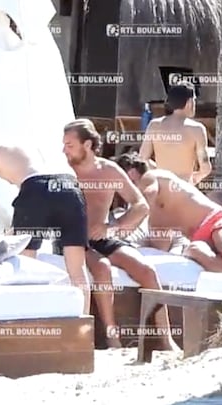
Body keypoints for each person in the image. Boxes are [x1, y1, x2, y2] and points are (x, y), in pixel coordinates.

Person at [63, 119, 177, 350]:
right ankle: (112, 337)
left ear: (87, 145)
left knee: (147, 271)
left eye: (69, 145)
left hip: (103, 235)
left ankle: (167, 340)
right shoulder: (64, 172)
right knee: (102, 267)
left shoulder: (109, 170)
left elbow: (140, 205)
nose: (64, 150)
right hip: (74, 238)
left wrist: (114, 226)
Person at [0, 144, 90, 312]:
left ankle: (26, 321)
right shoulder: (41, 151)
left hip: (36, 186)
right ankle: (84, 324)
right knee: (77, 270)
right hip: (71, 188)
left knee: (25, 265)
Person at [115, 152, 222, 273]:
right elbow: (159, 251)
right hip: (199, 238)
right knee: (195, 250)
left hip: (216, 219)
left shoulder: (151, 177)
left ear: (131, 173)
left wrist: (115, 231)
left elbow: (142, 204)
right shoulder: (155, 219)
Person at [139, 81, 212, 184]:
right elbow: (205, 167)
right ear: (189, 102)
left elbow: (142, 158)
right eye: (194, 100)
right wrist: (196, 178)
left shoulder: (154, 125)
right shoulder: (197, 129)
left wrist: (159, 170)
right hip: (184, 185)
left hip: (161, 185)